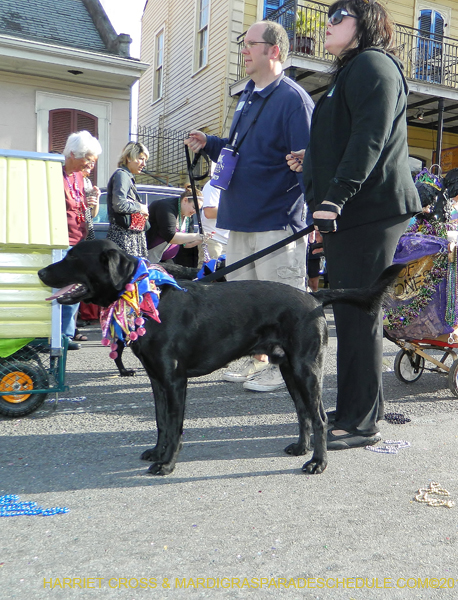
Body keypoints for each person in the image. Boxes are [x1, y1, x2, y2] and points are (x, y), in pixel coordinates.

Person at [287, 0, 420, 449]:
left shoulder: (373, 65)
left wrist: (334, 197)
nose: (327, 25)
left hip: (368, 208)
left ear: (363, 24)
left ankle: (359, 422)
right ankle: (366, 407)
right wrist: (315, 164)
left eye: (337, 18)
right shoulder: (357, 70)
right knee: (356, 312)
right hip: (361, 209)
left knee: (356, 313)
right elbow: (350, 135)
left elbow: (371, 137)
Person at [185, 20, 313, 393]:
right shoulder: (248, 96)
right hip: (240, 218)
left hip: (277, 220)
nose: (243, 49)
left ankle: (282, 366)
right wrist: (210, 143)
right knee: (244, 305)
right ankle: (255, 358)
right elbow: (240, 150)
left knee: (281, 303)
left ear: (273, 51)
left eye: (251, 43)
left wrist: (318, 212)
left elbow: (308, 161)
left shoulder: (294, 100)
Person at [61, 130, 102, 350]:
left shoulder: (79, 177)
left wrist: (91, 200)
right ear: (73, 154)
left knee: (75, 289)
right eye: (88, 159)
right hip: (61, 239)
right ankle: (56, 335)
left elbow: (87, 212)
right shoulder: (55, 173)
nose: (90, 165)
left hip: (78, 240)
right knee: (60, 289)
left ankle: (66, 334)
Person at [106, 141, 150, 258]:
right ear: (128, 158)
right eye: (140, 159)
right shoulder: (122, 175)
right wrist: (140, 207)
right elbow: (119, 204)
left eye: (145, 160)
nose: (144, 164)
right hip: (124, 236)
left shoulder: (127, 176)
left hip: (129, 235)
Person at [146, 185, 207, 264]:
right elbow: (170, 236)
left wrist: (201, 239)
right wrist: (197, 236)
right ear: (185, 200)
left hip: (168, 260)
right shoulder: (166, 207)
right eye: (194, 207)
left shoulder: (188, 215)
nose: (195, 212)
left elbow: (185, 244)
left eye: (198, 210)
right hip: (150, 257)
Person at [198, 181, 229, 269]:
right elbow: (209, 212)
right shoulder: (213, 184)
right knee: (208, 277)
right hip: (214, 240)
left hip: (231, 242)